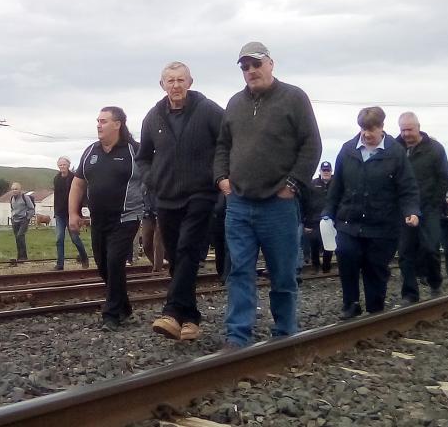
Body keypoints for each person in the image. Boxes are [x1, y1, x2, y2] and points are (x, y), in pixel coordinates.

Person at [214, 42, 322, 347]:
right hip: (239, 204)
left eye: (255, 64)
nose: (250, 71)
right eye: (245, 67)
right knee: (238, 271)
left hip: (279, 204)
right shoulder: (235, 103)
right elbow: (223, 145)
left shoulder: (294, 98)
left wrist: (292, 185)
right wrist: (222, 178)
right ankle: (238, 335)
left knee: (284, 273)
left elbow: (311, 145)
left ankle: (285, 333)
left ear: (270, 64)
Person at [137, 61, 224, 341]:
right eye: (170, 81)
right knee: (177, 257)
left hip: (201, 193)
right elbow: (143, 157)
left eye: (180, 80)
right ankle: (191, 318)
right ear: (162, 85)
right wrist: (153, 180)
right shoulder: (153, 117)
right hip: (166, 197)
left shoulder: (209, 110)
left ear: (190, 82)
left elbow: (228, 143)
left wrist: (218, 176)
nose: (176, 85)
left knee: (188, 250)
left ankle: (172, 310)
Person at [323, 107, 420, 319]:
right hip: (349, 220)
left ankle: (375, 309)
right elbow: (337, 185)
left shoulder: (395, 153)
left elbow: (407, 188)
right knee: (347, 257)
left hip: (382, 224)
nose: (366, 134)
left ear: (382, 127)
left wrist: (411, 211)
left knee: (375, 267)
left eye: (371, 129)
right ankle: (351, 304)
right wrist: (328, 212)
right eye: (362, 129)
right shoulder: (348, 150)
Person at [70, 106, 144, 331]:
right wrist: (73, 213)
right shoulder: (91, 151)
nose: (98, 125)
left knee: (114, 262)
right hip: (98, 220)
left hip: (127, 217)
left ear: (117, 124)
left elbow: (152, 178)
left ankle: (110, 315)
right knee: (104, 266)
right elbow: (78, 183)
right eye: (97, 121)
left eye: (103, 121)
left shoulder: (135, 151)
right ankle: (126, 309)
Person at [395, 112, 448, 303]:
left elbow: (445, 177)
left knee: (430, 248)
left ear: (418, 127)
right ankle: (410, 293)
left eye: (409, 129)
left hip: (428, 207)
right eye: (402, 129)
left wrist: (434, 201)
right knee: (405, 251)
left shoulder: (435, 149)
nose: (406, 133)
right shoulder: (395, 149)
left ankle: (435, 281)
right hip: (403, 208)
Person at [53, 157, 89, 270]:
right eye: (60, 165)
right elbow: (57, 196)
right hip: (60, 213)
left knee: (75, 239)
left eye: (64, 164)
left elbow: (80, 194)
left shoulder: (74, 178)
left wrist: (79, 213)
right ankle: (60, 264)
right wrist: (56, 211)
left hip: (72, 213)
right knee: (59, 238)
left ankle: (84, 257)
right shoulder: (56, 179)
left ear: (68, 165)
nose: (62, 167)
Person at [307, 161, 334, 273]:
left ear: (331, 171)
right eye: (324, 170)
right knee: (314, 242)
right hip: (315, 219)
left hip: (331, 219)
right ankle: (315, 265)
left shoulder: (337, 183)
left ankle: (326, 266)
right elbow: (307, 203)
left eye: (328, 170)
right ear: (320, 171)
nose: (326, 172)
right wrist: (307, 222)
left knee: (329, 244)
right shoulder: (312, 184)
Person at [9, 182, 34, 261]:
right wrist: (12, 218)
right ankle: (20, 256)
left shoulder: (25, 197)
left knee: (20, 236)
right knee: (17, 238)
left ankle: (23, 257)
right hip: (15, 220)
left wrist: (27, 217)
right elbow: (12, 209)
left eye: (16, 189)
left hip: (23, 219)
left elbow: (31, 208)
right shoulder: (12, 198)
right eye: (13, 189)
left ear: (20, 190)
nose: (14, 191)